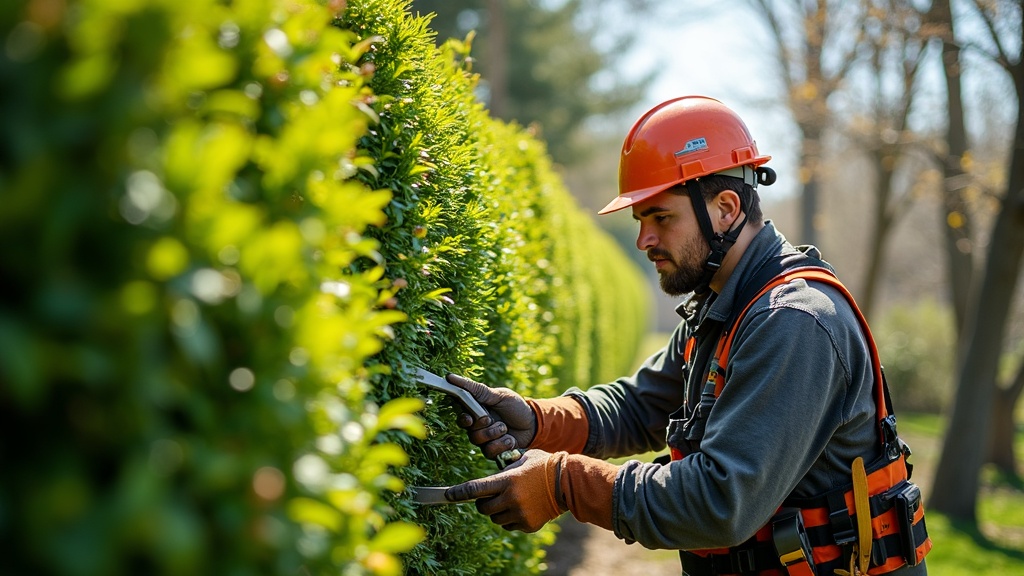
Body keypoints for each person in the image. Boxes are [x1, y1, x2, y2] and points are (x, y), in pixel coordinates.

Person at [444, 96, 931, 575]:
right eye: (640, 221)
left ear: (725, 208)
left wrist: (563, 483)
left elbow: (718, 503)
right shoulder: (724, 307)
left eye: (661, 217)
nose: (644, 241)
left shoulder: (794, 322)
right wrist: (539, 420)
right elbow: (641, 406)